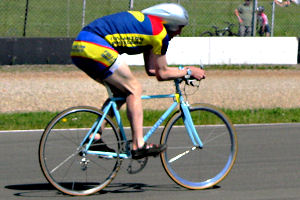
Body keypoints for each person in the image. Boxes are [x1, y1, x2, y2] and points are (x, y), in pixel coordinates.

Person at [70, 3, 206, 159]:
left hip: (80, 46)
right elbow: (162, 73)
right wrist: (189, 71)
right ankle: (138, 145)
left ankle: (95, 136)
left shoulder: (150, 26)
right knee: (134, 89)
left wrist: (181, 72)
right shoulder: (159, 33)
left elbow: (152, 70)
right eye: (180, 27)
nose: (180, 32)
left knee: (120, 91)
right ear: (172, 23)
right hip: (95, 45)